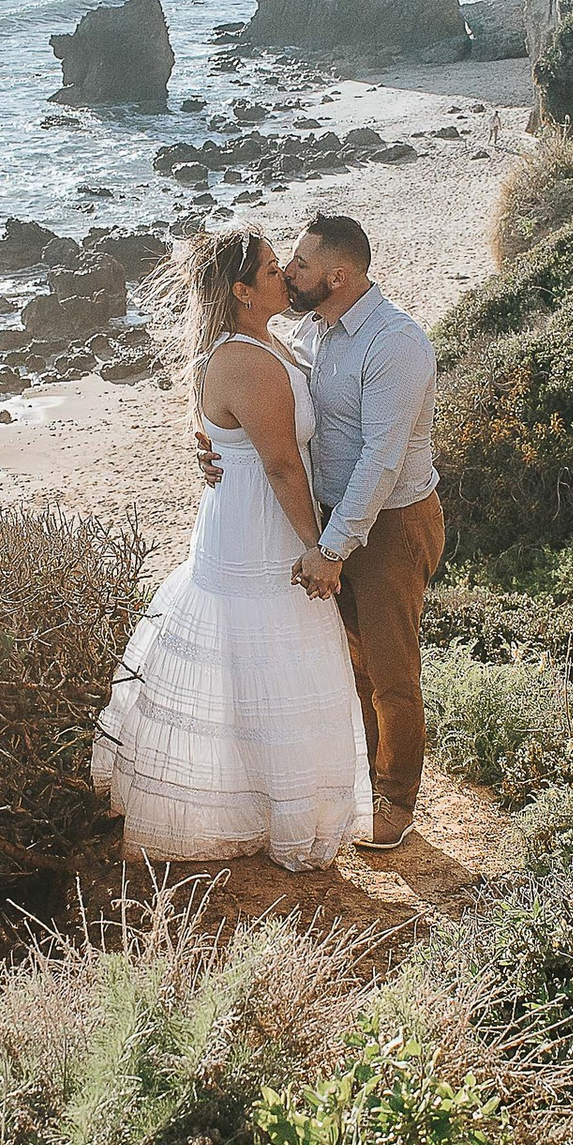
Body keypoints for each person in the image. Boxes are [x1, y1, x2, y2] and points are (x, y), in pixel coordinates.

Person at [92, 227, 373, 869]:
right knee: (263, 656)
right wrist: (319, 548)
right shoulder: (245, 357)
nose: (286, 278)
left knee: (258, 661)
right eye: (274, 271)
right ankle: (269, 808)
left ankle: (266, 799)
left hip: (248, 513)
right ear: (242, 291)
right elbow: (279, 464)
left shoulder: (265, 338)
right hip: (259, 525)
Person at [193, 208, 442, 854]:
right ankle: (358, 783)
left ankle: (396, 800)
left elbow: (382, 463)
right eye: (283, 263)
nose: (290, 273)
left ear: (337, 275)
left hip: (387, 523)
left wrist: (331, 548)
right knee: (348, 663)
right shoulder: (312, 333)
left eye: (299, 264)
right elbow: (259, 403)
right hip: (333, 520)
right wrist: (215, 441)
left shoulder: (396, 345)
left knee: (391, 671)